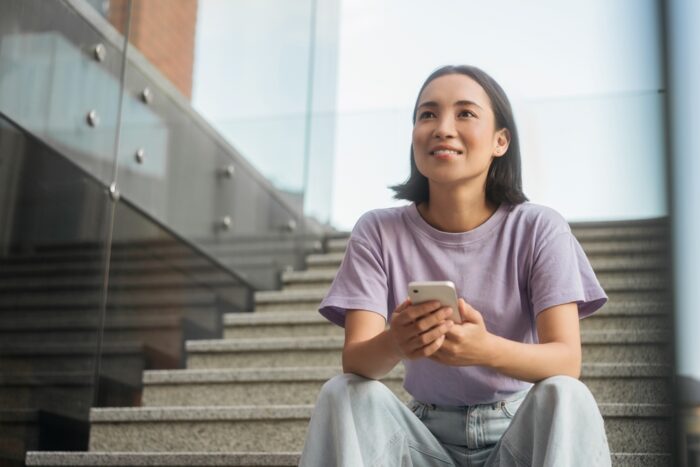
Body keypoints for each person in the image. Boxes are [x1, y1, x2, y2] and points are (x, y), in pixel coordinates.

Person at [299, 65, 612, 467]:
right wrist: (397, 340)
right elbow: (356, 361)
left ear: (501, 141)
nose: (442, 128)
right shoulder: (377, 231)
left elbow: (567, 360)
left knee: (567, 394)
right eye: (427, 114)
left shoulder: (539, 227)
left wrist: (485, 349)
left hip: (517, 435)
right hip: (422, 438)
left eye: (465, 113)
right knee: (342, 392)